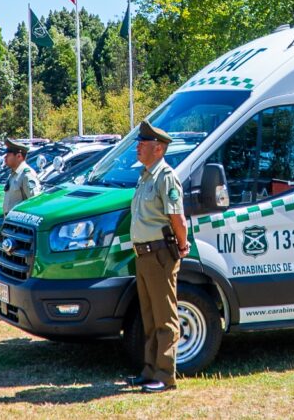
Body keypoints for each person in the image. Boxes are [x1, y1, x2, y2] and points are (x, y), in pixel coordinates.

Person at [125, 120, 190, 394]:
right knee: (149, 317)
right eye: (139, 143)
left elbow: (178, 218)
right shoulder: (145, 176)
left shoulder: (165, 177)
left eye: (143, 144)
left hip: (160, 254)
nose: (138, 147)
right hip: (144, 255)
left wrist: (182, 246)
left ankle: (165, 375)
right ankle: (150, 370)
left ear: (159, 149)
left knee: (165, 318)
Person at [1, 138, 41, 214]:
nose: (5, 158)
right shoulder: (14, 173)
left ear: (19, 156)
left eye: (8, 155)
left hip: (19, 222)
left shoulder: (27, 174)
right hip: (10, 221)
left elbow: (34, 202)